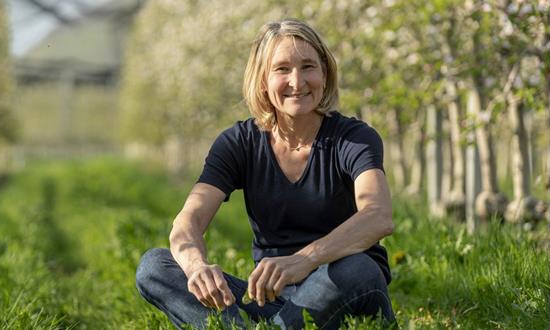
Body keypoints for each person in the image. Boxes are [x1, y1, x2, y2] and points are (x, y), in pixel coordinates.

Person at [136, 19, 395, 329]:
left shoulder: (353, 138)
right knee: (155, 266)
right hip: (269, 300)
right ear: (262, 80)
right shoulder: (239, 143)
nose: (297, 82)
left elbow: (378, 215)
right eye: (282, 69)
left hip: (339, 290)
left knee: (358, 268)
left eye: (308, 67)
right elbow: (187, 222)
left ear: (325, 74)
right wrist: (196, 268)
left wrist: (305, 260)